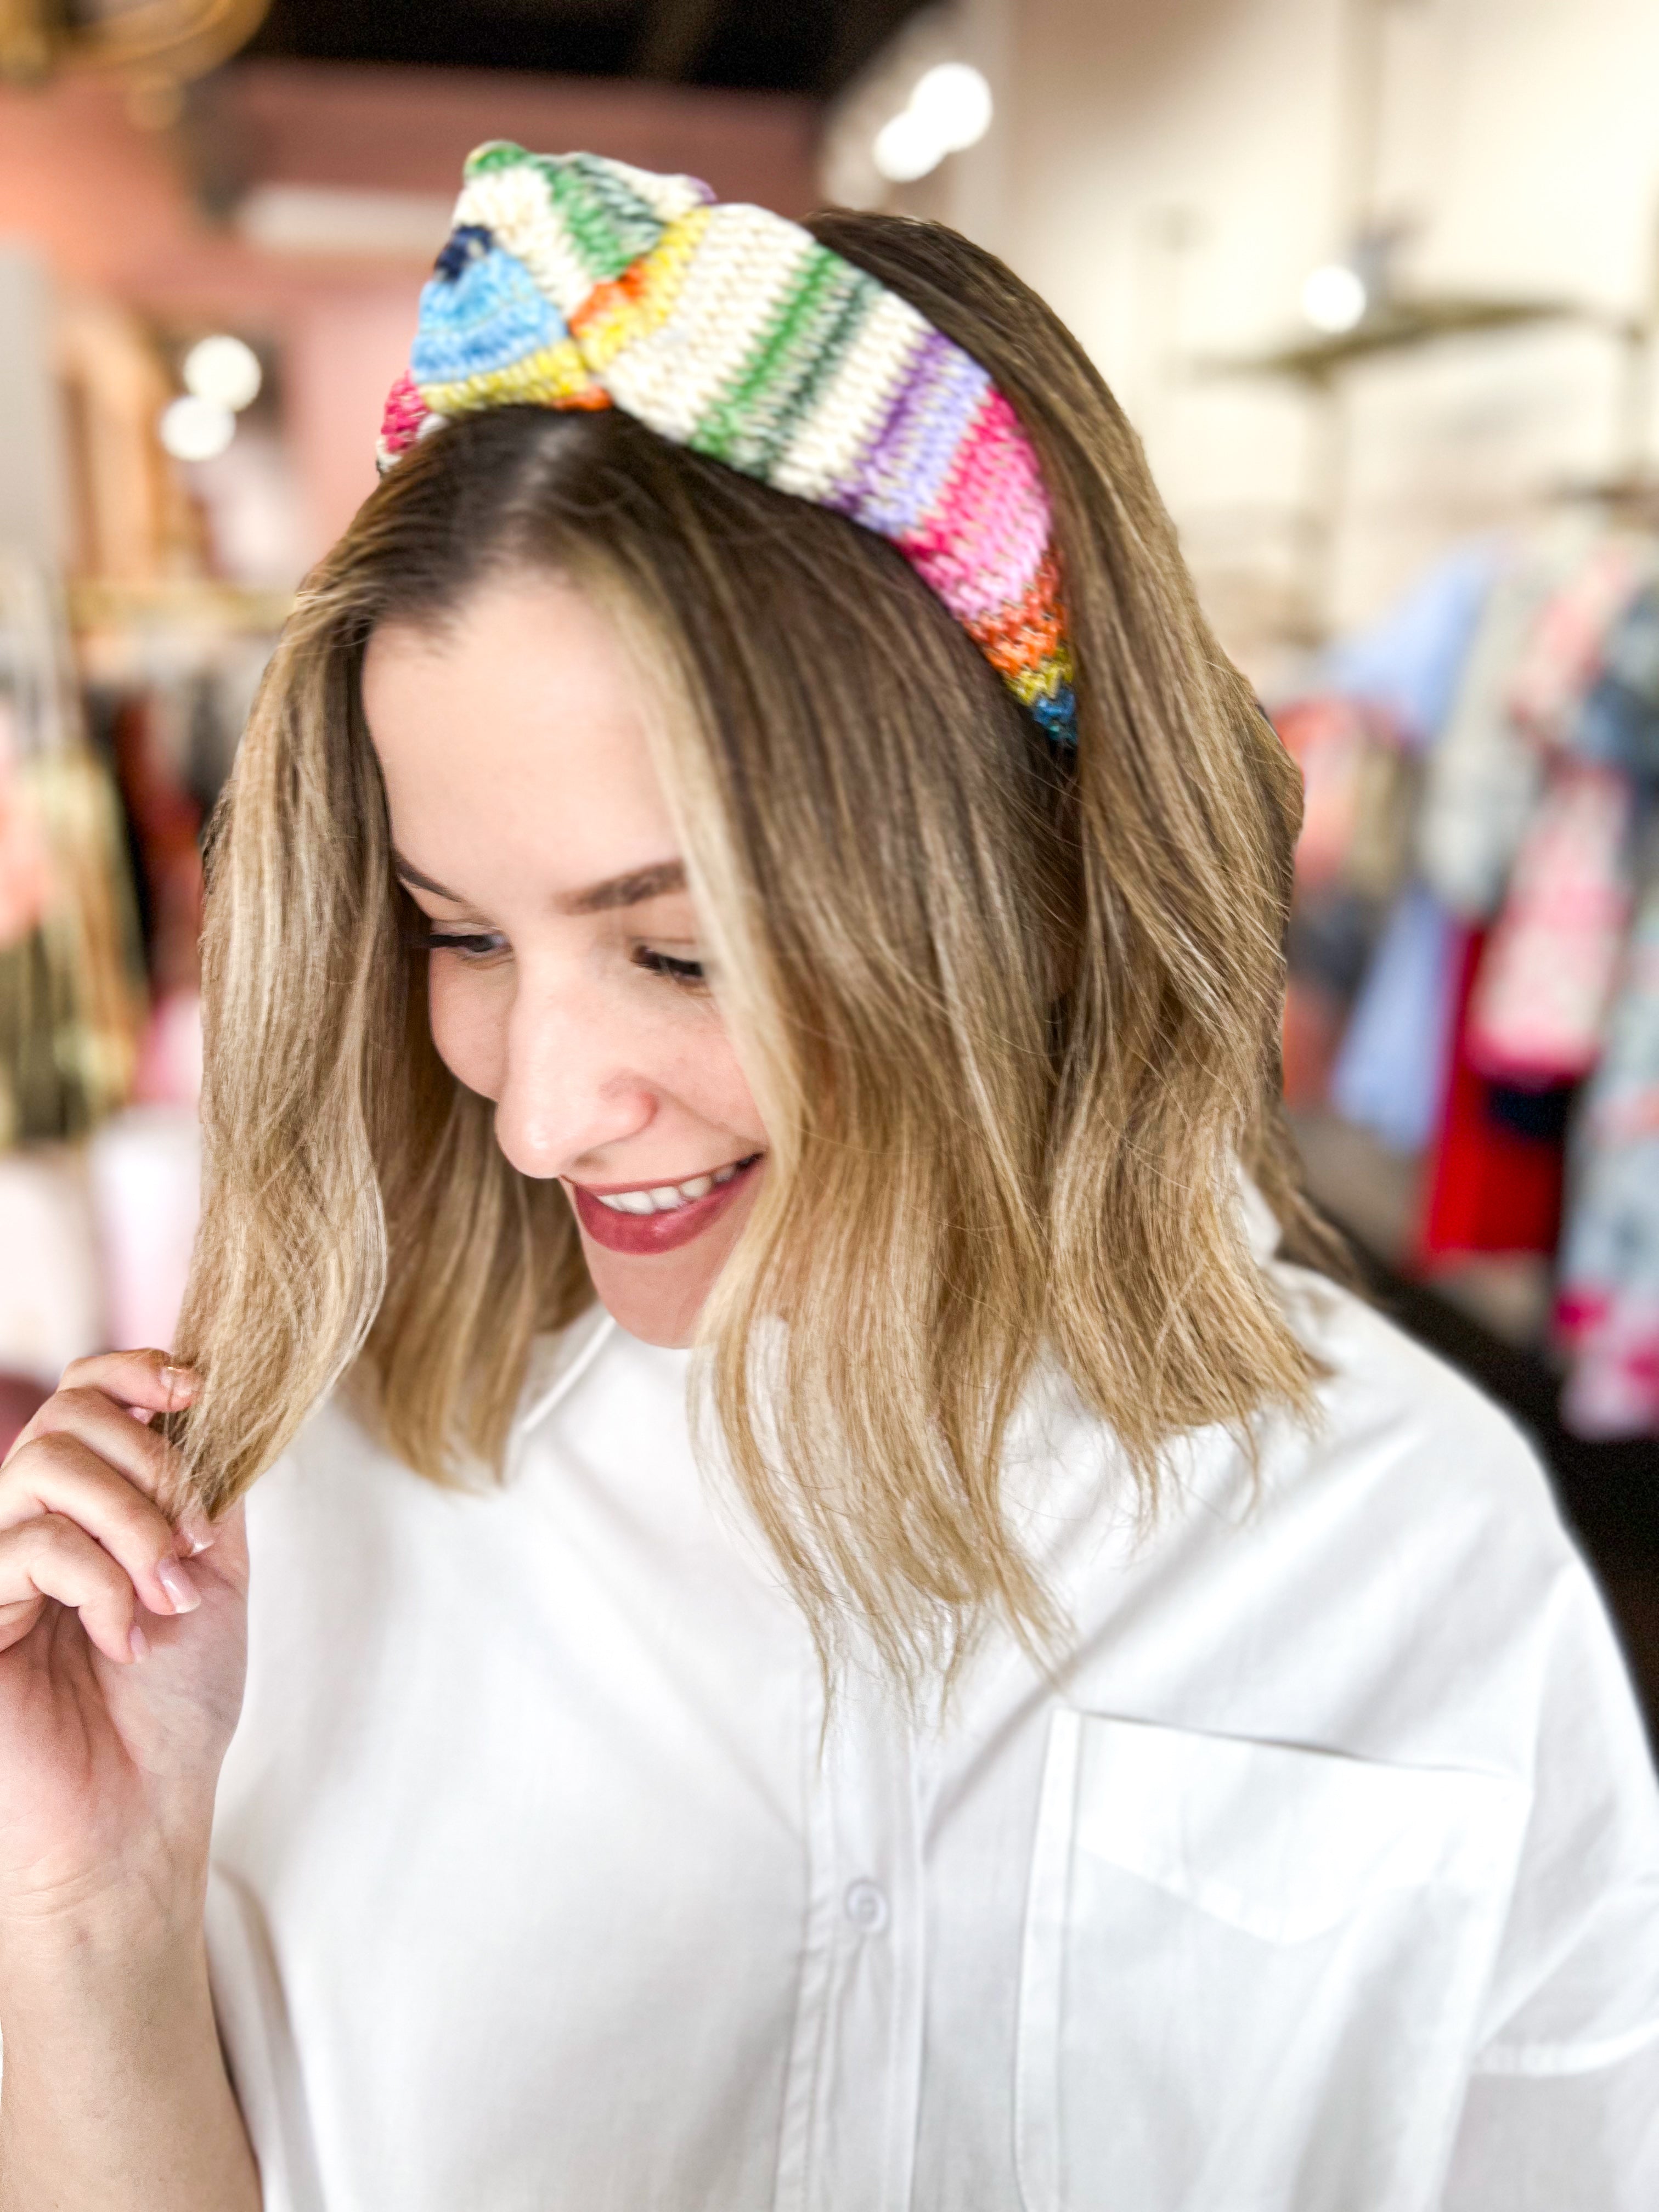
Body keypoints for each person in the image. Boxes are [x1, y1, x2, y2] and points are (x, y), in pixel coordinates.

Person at [1, 146, 1655, 2212]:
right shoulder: (304, 1522)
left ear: (1023, 888)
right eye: (463, 935)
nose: (540, 1114)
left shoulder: (1420, 1557)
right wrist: (82, 1915)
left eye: (680, 952)